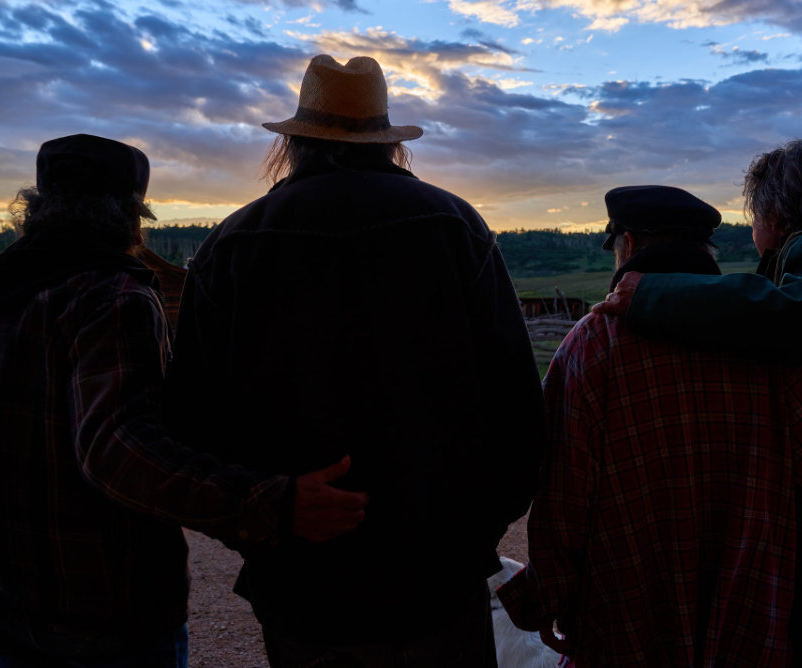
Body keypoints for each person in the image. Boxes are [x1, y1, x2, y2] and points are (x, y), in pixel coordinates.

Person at [0, 134, 367, 667]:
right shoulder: (112, 298)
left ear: (37, 207)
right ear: (131, 216)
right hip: (111, 614)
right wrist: (269, 503)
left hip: (1, 601)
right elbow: (117, 448)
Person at [165, 55, 546, 667]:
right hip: (438, 580)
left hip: (306, 589)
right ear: (387, 141)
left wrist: (269, 519)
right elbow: (521, 411)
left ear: (294, 143)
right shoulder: (457, 228)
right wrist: (471, 534)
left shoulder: (234, 244)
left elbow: (191, 424)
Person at [498, 185, 802, 666]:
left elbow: (564, 494)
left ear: (627, 244)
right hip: (747, 613)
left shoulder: (592, 344)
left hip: (626, 614)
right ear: (705, 250)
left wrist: (548, 597)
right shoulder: (763, 338)